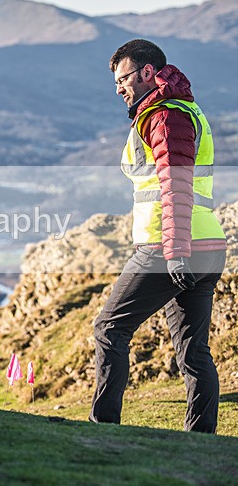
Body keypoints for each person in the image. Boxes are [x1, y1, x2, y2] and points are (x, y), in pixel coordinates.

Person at [90, 39, 227, 433]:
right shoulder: (178, 110)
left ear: (148, 73)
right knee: (193, 352)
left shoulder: (167, 116)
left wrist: (175, 252)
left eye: (124, 78)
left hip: (168, 247)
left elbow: (176, 186)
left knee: (109, 328)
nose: (119, 87)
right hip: (206, 247)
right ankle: (201, 440)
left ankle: (103, 428)